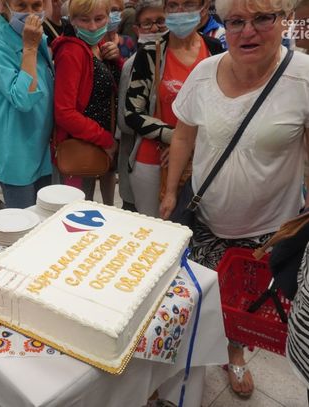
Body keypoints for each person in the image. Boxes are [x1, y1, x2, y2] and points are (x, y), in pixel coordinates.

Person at [159, 0, 309, 399]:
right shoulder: (204, 73)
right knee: (200, 296)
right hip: (205, 218)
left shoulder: (303, 76)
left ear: (283, 21)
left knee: (243, 305)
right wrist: (171, 191)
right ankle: (188, 357)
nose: (248, 31)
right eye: (236, 21)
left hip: (267, 229)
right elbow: (184, 135)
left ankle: (234, 354)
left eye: (262, 18)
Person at [121, 0, 222, 218]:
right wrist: (176, 138)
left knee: (193, 229)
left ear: (204, 8)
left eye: (188, 4)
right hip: (153, 159)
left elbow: (222, 108)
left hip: (201, 158)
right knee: (152, 229)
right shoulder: (150, 52)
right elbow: (132, 112)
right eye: (173, 5)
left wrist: (190, 144)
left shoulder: (214, 50)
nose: (180, 12)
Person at [0, 0, 53, 209]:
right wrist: (29, 48)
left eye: (36, 6)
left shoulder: (37, 36)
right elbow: (23, 98)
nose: (30, 14)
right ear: (4, 6)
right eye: (21, 6)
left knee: (45, 218)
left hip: (42, 145)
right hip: (16, 151)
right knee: (24, 222)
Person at [51, 0, 121, 204]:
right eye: (84, 20)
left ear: (108, 17)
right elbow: (65, 112)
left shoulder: (97, 46)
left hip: (97, 144)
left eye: (99, 19)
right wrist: (106, 140)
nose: (92, 27)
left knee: (90, 207)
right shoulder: (71, 51)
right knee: (77, 211)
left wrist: (115, 60)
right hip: (80, 145)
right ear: (72, 20)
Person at [117, 0, 167, 211]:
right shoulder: (133, 64)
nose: (155, 28)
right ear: (137, 29)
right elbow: (125, 121)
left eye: (160, 21)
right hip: (138, 156)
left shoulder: (172, 58)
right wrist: (166, 133)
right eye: (147, 23)